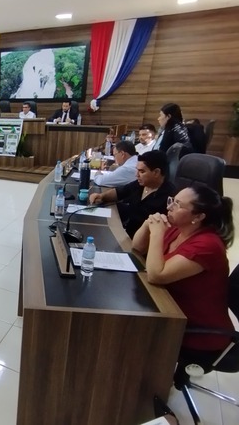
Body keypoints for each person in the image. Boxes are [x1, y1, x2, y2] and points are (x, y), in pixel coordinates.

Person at [132, 185, 234, 386]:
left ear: (198, 217)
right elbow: (137, 246)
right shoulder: (179, 229)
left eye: (177, 204)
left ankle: (146, 390)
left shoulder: (207, 245)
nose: (169, 207)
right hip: (173, 313)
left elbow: (156, 274)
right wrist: (147, 225)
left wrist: (158, 233)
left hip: (199, 334)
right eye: (172, 200)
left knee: (131, 333)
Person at [89, 150, 176, 238]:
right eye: (137, 170)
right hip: (126, 233)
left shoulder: (170, 197)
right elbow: (120, 192)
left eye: (142, 172)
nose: (136, 175)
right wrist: (101, 196)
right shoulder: (140, 184)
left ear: (156, 172)